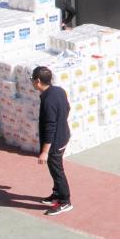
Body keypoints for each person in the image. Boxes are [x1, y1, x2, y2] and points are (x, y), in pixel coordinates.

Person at [32, 66, 73, 216]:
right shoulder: (59, 91)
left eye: (32, 79)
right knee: (54, 168)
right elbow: (67, 108)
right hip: (63, 135)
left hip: (55, 141)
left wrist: (44, 152)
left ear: (37, 81)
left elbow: (50, 127)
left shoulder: (48, 100)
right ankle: (56, 193)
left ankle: (65, 201)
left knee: (57, 171)